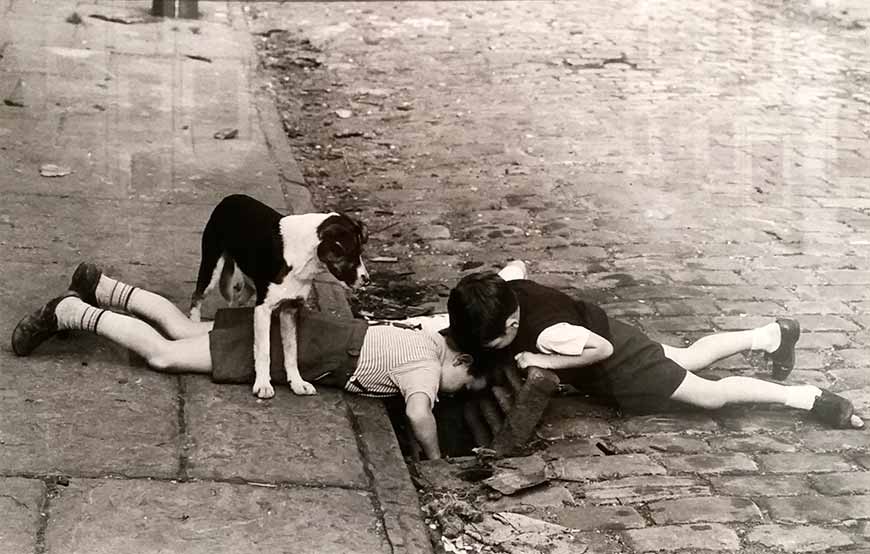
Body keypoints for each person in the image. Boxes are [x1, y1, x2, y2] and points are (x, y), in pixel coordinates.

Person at [11, 263, 488, 460]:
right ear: (460, 358)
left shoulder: (422, 334)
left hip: (298, 326)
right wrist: (434, 459)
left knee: (183, 327)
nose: (453, 392)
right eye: (462, 384)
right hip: (284, 348)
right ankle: (73, 312)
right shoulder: (425, 370)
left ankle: (105, 286)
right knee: (164, 355)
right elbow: (418, 413)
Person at [446, 261, 864, 429]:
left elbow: (600, 352)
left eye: (494, 340)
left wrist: (539, 357)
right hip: (621, 334)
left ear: (513, 322)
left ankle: (806, 399)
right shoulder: (509, 287)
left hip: (624, 366)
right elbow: (515, 265)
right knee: (691, 356)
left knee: (712, 396)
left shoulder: (549, 334)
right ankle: (769, 336)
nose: (492, 347)